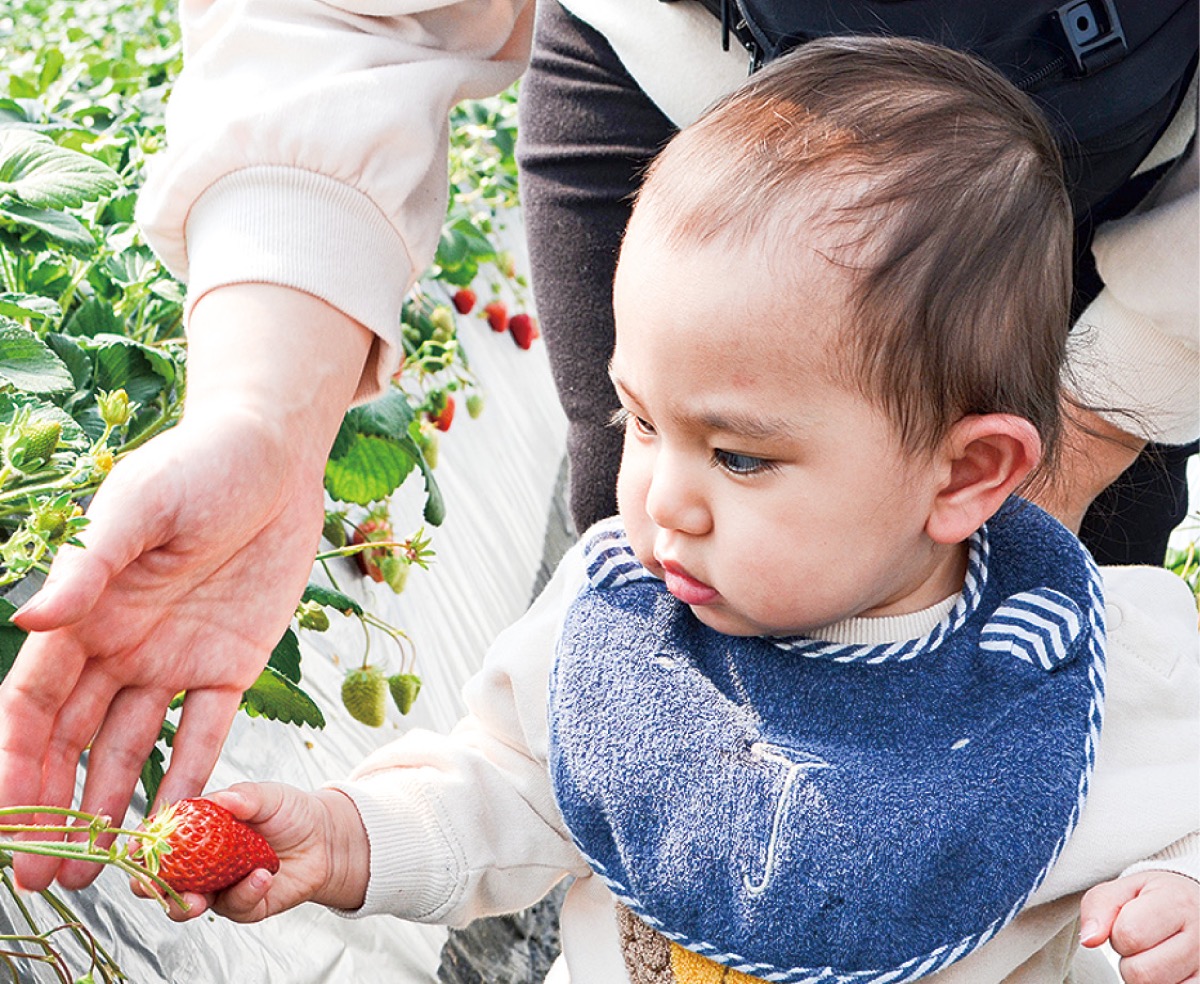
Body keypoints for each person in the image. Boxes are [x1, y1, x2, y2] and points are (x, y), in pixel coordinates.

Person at [0, 0, 1195, 894]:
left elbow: (1175, 812)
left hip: (1099, 166)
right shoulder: (616, 623)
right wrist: (354, 839)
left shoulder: (1104, 665)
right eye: (643, 422)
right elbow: (518, 791)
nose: (658, 507)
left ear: (975, 472)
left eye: (739, 458)